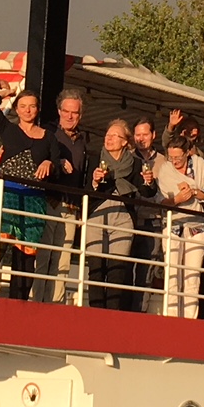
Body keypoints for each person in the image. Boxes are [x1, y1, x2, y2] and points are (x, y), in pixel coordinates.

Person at [0, 88, 58, 301]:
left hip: (34, 198)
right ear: (16, 109)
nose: (27, 110)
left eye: (32, 106)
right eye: (23, 106)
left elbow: (57, 165)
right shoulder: (9, 129)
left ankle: (18, 303)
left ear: (38, 109)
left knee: (26, 254)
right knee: (0, 245)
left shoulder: (49, 137)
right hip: (8, 194)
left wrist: (49, 162)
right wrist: (6, 92)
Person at [40, 88, 89, 301]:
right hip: (50, 202)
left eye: (75, 112)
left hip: (72, 206)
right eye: (66, 111)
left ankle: (56, 304)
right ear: (59, 111)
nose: (70, 116)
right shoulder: (48, 133)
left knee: (64, 260)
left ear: (80, 115)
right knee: (44, 255)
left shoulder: (83, 140)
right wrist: (56, 161)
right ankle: (37, 301)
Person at [86, 119, 139, 309]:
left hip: (123, 216)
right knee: (96, 267)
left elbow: (147, 192)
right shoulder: (94, 158)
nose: (108, 139)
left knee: (117, 269)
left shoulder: (135, 163)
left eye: (114, 136)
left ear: (125, 141)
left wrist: (149, 182)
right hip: (97, 213)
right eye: (107, 135)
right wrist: (94, 182)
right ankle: (96, 312)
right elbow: (84, 188)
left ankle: (112, 313)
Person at [157, 142, 204, 319]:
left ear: (187, 153)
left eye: (178, 157)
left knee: (192, 278)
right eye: (171, 157)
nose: (175, 161)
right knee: (172, 276)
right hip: (173, 225)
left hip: (197, 226)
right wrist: (177, 199)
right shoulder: (165, 169)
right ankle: (171, 318)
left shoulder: (199, 164)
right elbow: (160, 201)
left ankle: (190, 320)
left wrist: (194, 192)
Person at [128, 118, 165, 311]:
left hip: (153, 222)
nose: (141, 138)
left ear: (153, 135)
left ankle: (140, 313)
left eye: (145, 134)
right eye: (137, 135)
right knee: (125, 268)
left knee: (147, 272)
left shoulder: (163, 162)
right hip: (129, 220)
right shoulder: (127, 158)